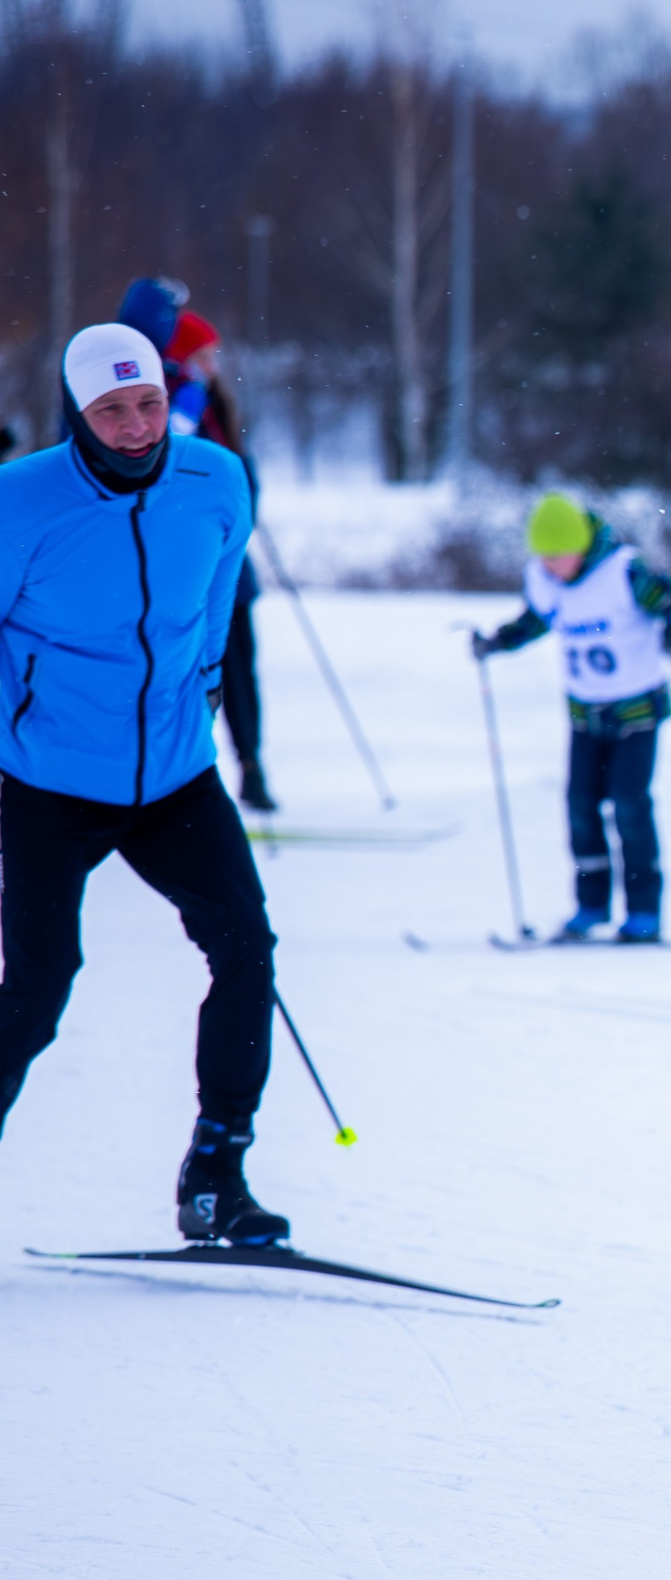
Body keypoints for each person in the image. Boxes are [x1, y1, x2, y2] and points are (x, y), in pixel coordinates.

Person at [0, 323, 286, 1245]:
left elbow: (215, 603)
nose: (135, 427)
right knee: (39, 988)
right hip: (48, 778)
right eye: (112, 410)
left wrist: (201, 691)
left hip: (172, 774)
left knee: (247, 946)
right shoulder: (19, 502)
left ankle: (217, 1174)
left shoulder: (216, 479)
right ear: (78, 412)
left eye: (150, 404)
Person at [472, 494, 671, 943]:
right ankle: (591, 905)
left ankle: (643, 911)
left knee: (629, 805)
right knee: (580, 806)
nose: (554, 566)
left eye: (561, 556)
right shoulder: (543, 580)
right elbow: (537, 620)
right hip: (584, 713)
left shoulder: (623, 572)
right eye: (546, 558)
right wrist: (498, 642)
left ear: (583, 545)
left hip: (636, 709)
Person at [119, 278, 275, 812]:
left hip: (229, 568)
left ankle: (251, 766)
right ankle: (178, 782)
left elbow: (237, 476)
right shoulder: (172, 401)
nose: (213, 363)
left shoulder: (211, 402)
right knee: (188, 672)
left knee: (238, 669)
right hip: (184, 568)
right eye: (205, 354)